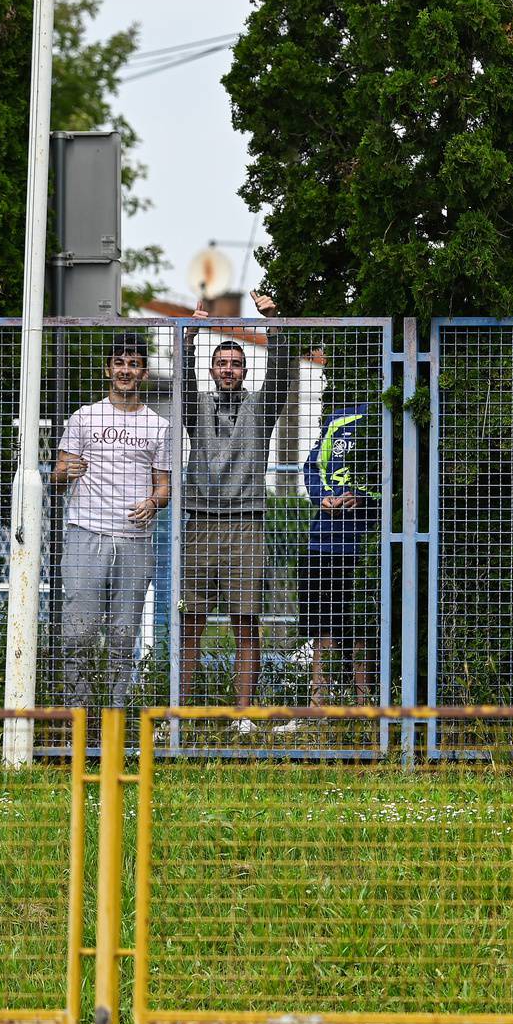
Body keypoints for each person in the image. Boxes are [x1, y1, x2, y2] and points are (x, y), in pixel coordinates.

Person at [178, 294, 295, 716]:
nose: (228, 370)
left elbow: (282, 376)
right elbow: (181, 381)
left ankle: (242, 715)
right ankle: (182, 715)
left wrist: (273, 325)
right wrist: (189, 337)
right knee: (191, 623)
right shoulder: (196, 408)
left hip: (247, 522)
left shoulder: (259, 409)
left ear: (245, 370)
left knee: (246, 622)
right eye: (221, 364)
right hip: (201, 521)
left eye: (236, 364)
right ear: (212, 370)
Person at [53, 331, 172, 706]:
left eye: (133, 364)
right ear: (108, 369)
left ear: (144, 374)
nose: (125, 370)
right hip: (86, 533)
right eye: (119, 362)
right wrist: (64, 472)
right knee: (79, 632)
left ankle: (115, 717)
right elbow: (56, 476)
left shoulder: (158, 425)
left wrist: (153, 503)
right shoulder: (84, 417)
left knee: (124, 635)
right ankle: (78, 717)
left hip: (134, 541)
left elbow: (164, 487)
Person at [294, 396, 381, 707]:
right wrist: (323, 498)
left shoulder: (388, 420)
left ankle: (364, 710)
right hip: (323, 543)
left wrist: (364, 496)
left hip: (364, 546)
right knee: (323, 630)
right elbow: (312, 466)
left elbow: (399, 476)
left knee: (361, 630)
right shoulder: (338, 420)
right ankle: (318, 708)